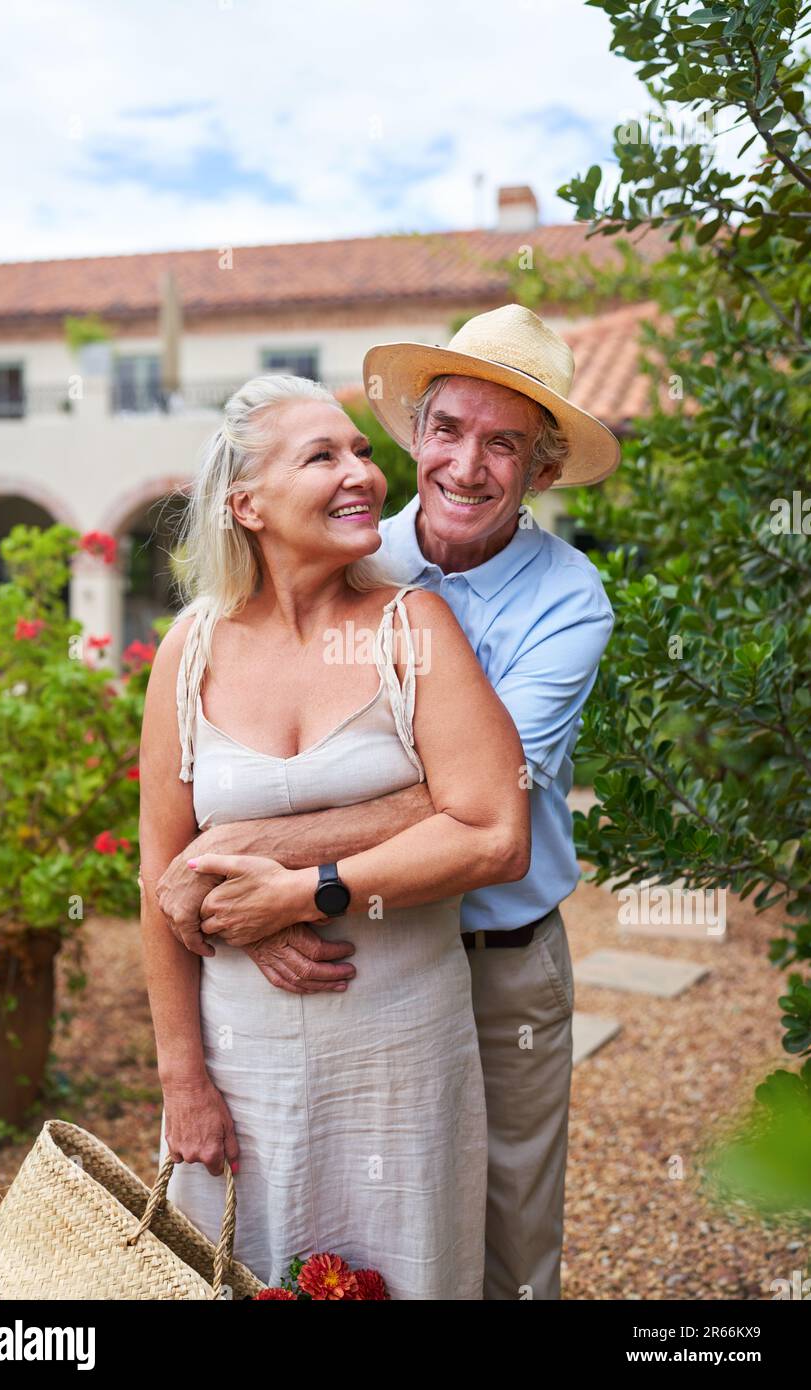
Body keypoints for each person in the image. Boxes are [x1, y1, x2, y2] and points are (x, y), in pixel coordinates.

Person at [157, 304, 620, 1300]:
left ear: (540, 471)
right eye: (448, 430)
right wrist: (262, 904)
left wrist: (257, 867)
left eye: (504, 445)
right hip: (329, 956)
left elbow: (482, 804)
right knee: (291, 1220)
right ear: (417, 436)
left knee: (500, 1240)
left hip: (493, 959)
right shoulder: (354, 543)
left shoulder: (568, 600)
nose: (466, 465)